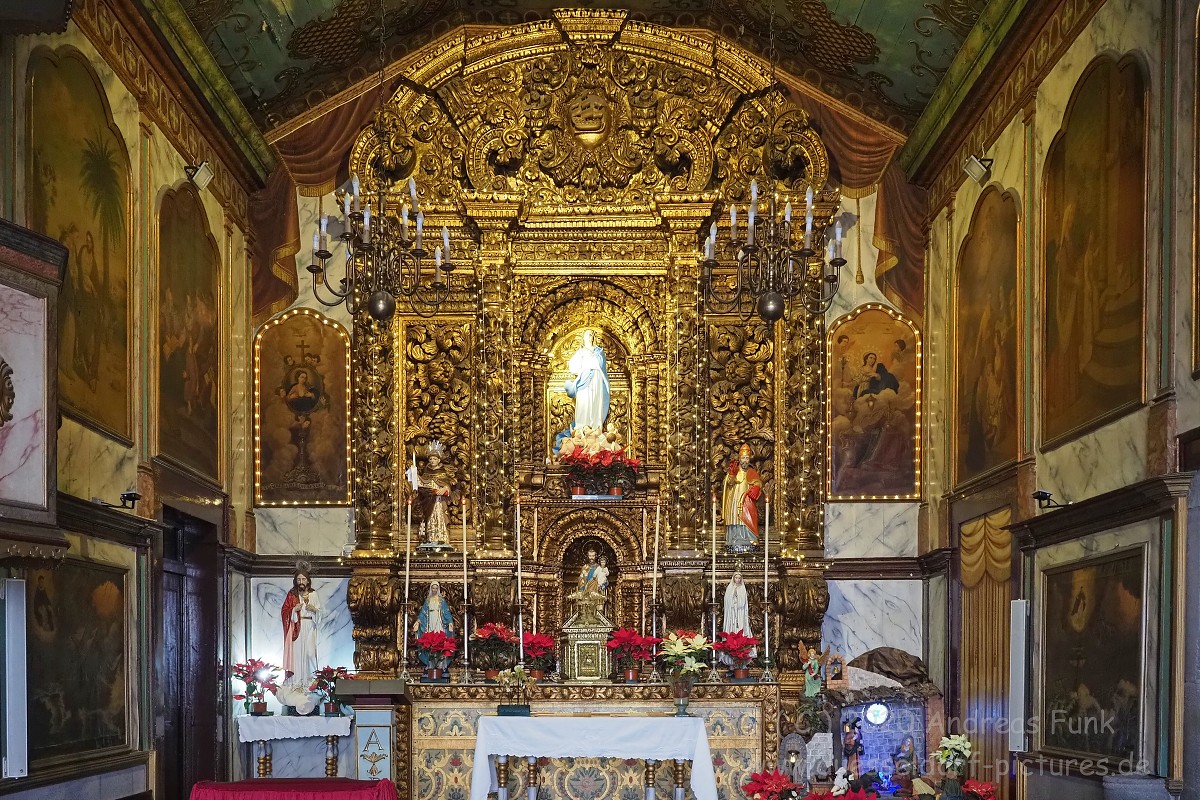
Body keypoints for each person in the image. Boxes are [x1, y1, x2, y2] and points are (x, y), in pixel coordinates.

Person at [408, 442, 456, 548]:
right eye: (430, 459)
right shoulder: (426, 472)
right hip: (428, 501)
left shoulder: (443, 472)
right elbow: (421, 484)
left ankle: (441, 538)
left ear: (439, 460)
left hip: (439, 501)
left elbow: (447, 485)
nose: (432, 461)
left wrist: (444, 489)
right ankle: (431, 538)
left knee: (440, 518)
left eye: (434, 459)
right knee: (429, 519)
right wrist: (414, 475)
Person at [281, 564, 321, 689]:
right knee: (297, 655)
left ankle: (310, 682)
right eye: (299, 579)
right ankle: (297, 682)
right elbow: (284, 611)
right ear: (295, 581)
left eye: (303, 579)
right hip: (296, 627)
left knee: (310, 654)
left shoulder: (313, 594)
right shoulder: (292, 594)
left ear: (308, 580)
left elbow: (320, 612)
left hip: (309, 626)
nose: (301, 582)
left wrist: (314, 610)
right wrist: (294, 610)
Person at [564, 330, 610, 433]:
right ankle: (581, 428)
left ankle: (595, 428)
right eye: (587, 334)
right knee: (583, 402)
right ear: (583, 338)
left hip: (596, 379)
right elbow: (573, 366)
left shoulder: (599, 351)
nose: (590, 337)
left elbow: (601, 364)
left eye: (591, 335)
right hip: (584, 380)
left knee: (595, 401)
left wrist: (591, 362)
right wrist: (585, 365)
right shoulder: (581, 352)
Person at [722, 443, 763, 551]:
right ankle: (734, 538)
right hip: (735, 499)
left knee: (749, 516)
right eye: (743, 458)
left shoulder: (752, 472)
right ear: (739, 459)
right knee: (734, 516)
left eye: (747, 458)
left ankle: (750, 538)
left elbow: (758, 483)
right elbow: (728, 483)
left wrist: (756, 488)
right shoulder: (735, 470)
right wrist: (731, 474)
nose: (745, 460)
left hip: (747, 500)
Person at [719, 571, 755, 665]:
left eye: (739, 578)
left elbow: (743, 603)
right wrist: (732, 597)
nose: (738, 580)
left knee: (740, 630)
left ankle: (741, 654)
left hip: (740, 614)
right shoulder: (729, 588)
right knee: (731, 631)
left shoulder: (742, 589)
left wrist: (738, 597)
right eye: (736, 578)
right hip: (731, 615)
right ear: (733, 578)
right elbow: (727, 602)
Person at [415, 581, 455, 668]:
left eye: (436, 588)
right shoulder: (428, 600)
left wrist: (450, 622)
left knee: (440, 639)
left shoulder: (441, 600)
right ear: (431, 589)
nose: (434, 590)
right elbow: (423, 613)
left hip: (439, 621)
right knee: (430, 640)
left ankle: (441, 664)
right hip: (430, 622)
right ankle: (431, 663)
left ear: (438, 589)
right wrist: (418, 621)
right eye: (433, 588)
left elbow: (446, 612)